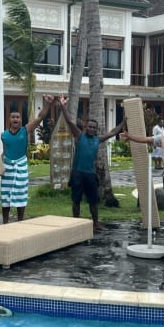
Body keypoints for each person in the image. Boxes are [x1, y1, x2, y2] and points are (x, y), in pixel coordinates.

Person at [59, 96, 126, 230]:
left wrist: (123, 121)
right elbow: (70, 122)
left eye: (94, 127)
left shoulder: (97, 139)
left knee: (93, 201)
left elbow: (113, 132)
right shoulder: (79, 136)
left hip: (90, 174)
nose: (91, 129)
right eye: (89, 126)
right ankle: (76, 223)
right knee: (76, 200)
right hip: (77, 173)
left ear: (96, 130)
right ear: (85, 127)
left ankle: (95, 223)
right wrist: (62, 107)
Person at [0, 95, 55, 224]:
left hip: (21, 167)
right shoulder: (4, 135)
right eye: (13, 117)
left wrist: (47, 104)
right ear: (9, 119)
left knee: (21, 194)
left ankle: (20, 221)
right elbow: (5, 151)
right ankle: (5, 222)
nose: (15, 119)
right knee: (5, 195)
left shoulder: (25, 130)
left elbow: (40, 117)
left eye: (17, 117)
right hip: (7, 168)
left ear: (20, 120)